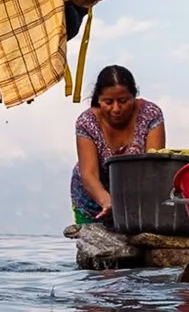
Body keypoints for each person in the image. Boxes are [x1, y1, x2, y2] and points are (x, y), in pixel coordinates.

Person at [70, 64, 165, 226]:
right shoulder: (86, 122)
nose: (116, 109)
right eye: (108, 102)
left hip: (136, 196)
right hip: (93, 201)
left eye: (123, 101)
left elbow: (153, 166)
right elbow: (89, 174)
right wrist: (107, 202)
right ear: (98, 100)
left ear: (134, 97)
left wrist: (131, 205)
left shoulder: (150, 114)